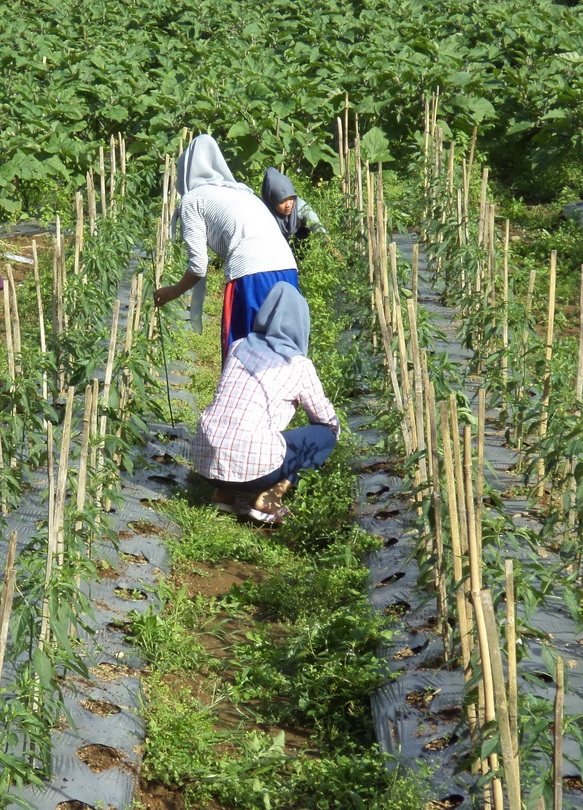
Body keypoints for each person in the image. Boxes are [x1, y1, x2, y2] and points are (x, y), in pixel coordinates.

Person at [191, 282, 340, 525]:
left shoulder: (238, 347)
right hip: (255, 470)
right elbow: (325, 419)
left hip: (204, 459)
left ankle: (224, 493)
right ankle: (270, 498)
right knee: (325, 434)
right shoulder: (298, 365)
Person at [153, 135, 299, 363]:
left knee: (242, 356)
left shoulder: (193, 200)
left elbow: (198, 266)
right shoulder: (240, 191)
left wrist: (174, 291)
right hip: (288, 269)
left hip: (251, 275)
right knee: (283, 352)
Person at [261, 166, 326, 244]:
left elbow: (315, 223)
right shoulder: (264, 212)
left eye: (291, 198)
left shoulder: (299, 206)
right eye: (282, 202)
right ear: (272, 201)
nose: (288, 205)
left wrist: (326, 242)